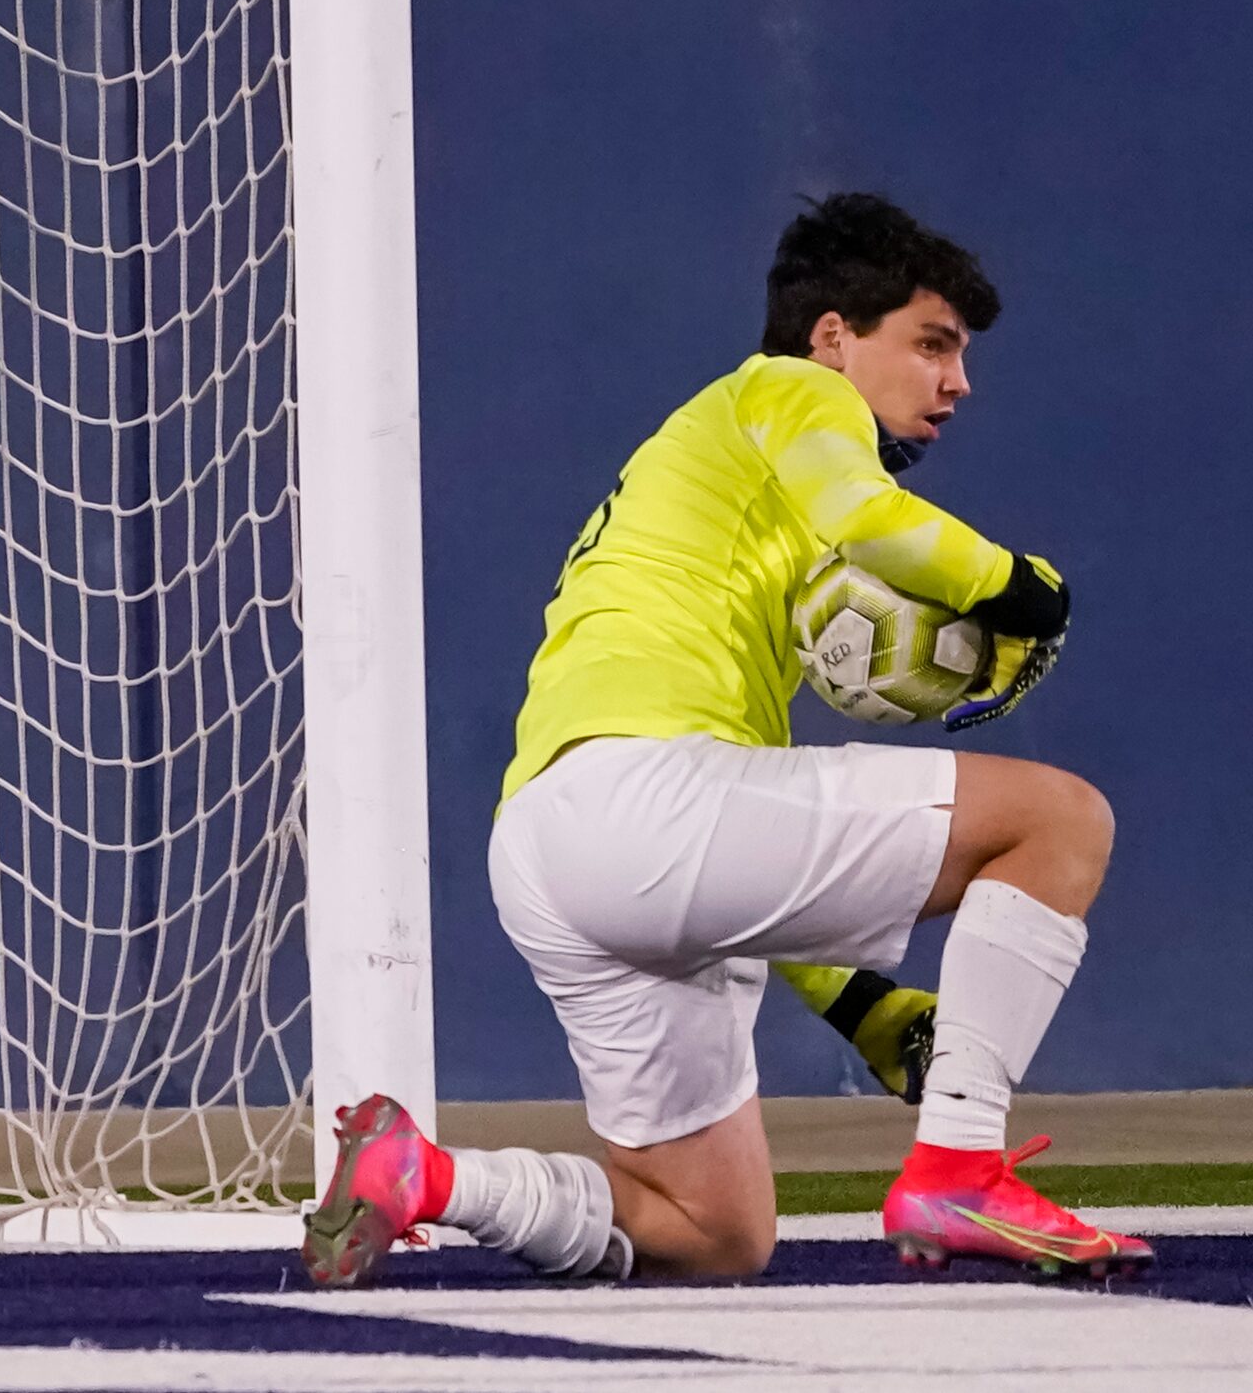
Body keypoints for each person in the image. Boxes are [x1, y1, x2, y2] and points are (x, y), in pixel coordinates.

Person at [305, 193, 1140, 1285]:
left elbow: (729, 866)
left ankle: (426, 1178)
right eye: (931, 344)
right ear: (834, 334)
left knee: (712, 1233)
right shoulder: (793, 388)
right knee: (1061, 822)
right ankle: (960, 1166)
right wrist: (1025, 590)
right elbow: (868, 520)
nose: (956, 382)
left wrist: (860, 1001)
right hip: (644, 804)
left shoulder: (725, 493)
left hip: (553, 850)